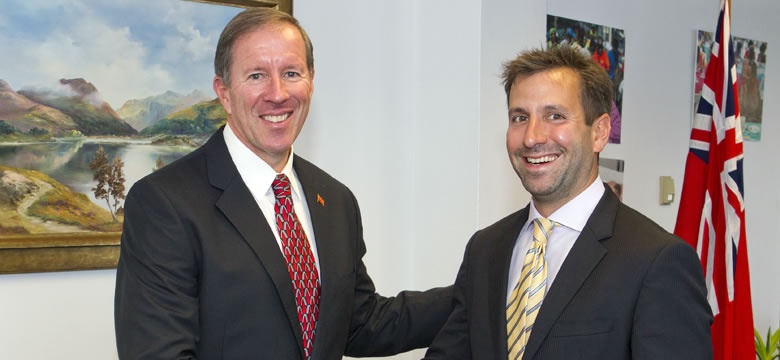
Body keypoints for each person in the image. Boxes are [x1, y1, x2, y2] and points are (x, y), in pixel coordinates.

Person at [114, 7, 452, 359]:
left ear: (311, 81)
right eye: (257, 75)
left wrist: (477, 289)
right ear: (224, 92)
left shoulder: (336, 201)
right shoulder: (165, 203)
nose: (277, 93)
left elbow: (361, 322)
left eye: (291, 73)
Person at [423, 46, 712, 359]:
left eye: (555, 116)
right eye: (520, 117)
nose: (532, 137)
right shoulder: (485, 249)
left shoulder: (658, 261)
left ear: (600, 132)